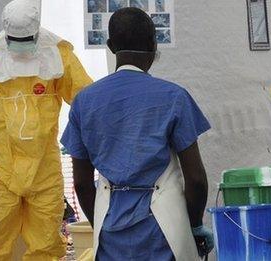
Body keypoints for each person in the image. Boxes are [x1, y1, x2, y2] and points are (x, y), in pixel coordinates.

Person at [61, 7, 213, 260]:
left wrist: (100, 221)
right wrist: (195, 225)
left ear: (110, 46)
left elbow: (81, 184)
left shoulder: (84, 101)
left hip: (110, 230)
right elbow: (196, 180)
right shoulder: (174, 97)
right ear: (154, 45)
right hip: (165, 231)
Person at [0, 0, 93, 259]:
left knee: (45, 242)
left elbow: (87, 101)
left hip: (44, 168)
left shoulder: (60, 58)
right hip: (2, 167)